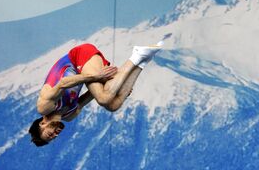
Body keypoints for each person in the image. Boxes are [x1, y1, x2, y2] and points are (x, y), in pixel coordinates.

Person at [29, 41, 163, 146]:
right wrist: (118, 87)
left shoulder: (44, 107)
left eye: (49, 135)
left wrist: (96, 76)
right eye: (53, 138)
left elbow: (63, 83)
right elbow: (90, 95)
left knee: (104, 98)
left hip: (78, 56)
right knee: (112, 105)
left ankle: (137, 55)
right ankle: (143, 62)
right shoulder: (69, 115)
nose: (55, 135)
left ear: (42, 124)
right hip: (87, 71)